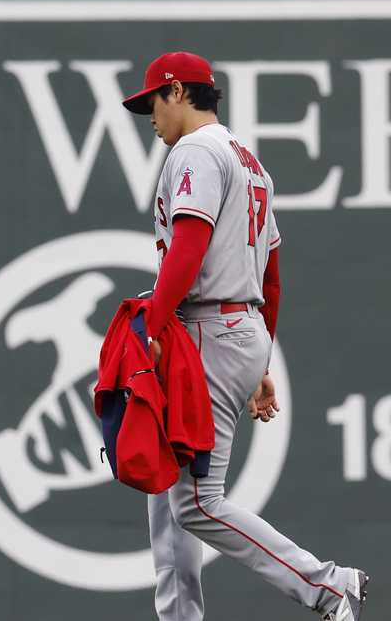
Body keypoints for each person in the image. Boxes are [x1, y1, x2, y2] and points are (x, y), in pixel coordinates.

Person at [122, 51, 367, 621]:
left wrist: (152, 327)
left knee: (196, 505)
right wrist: (259, 364)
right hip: (239, 326)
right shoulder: (249, 161)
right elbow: (271, 277)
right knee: (168, 488)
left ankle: (327, 585)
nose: (149, 117)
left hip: (205, 330)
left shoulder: (196, 151)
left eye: (152, 102)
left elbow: (187, 247)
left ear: (178, 92)